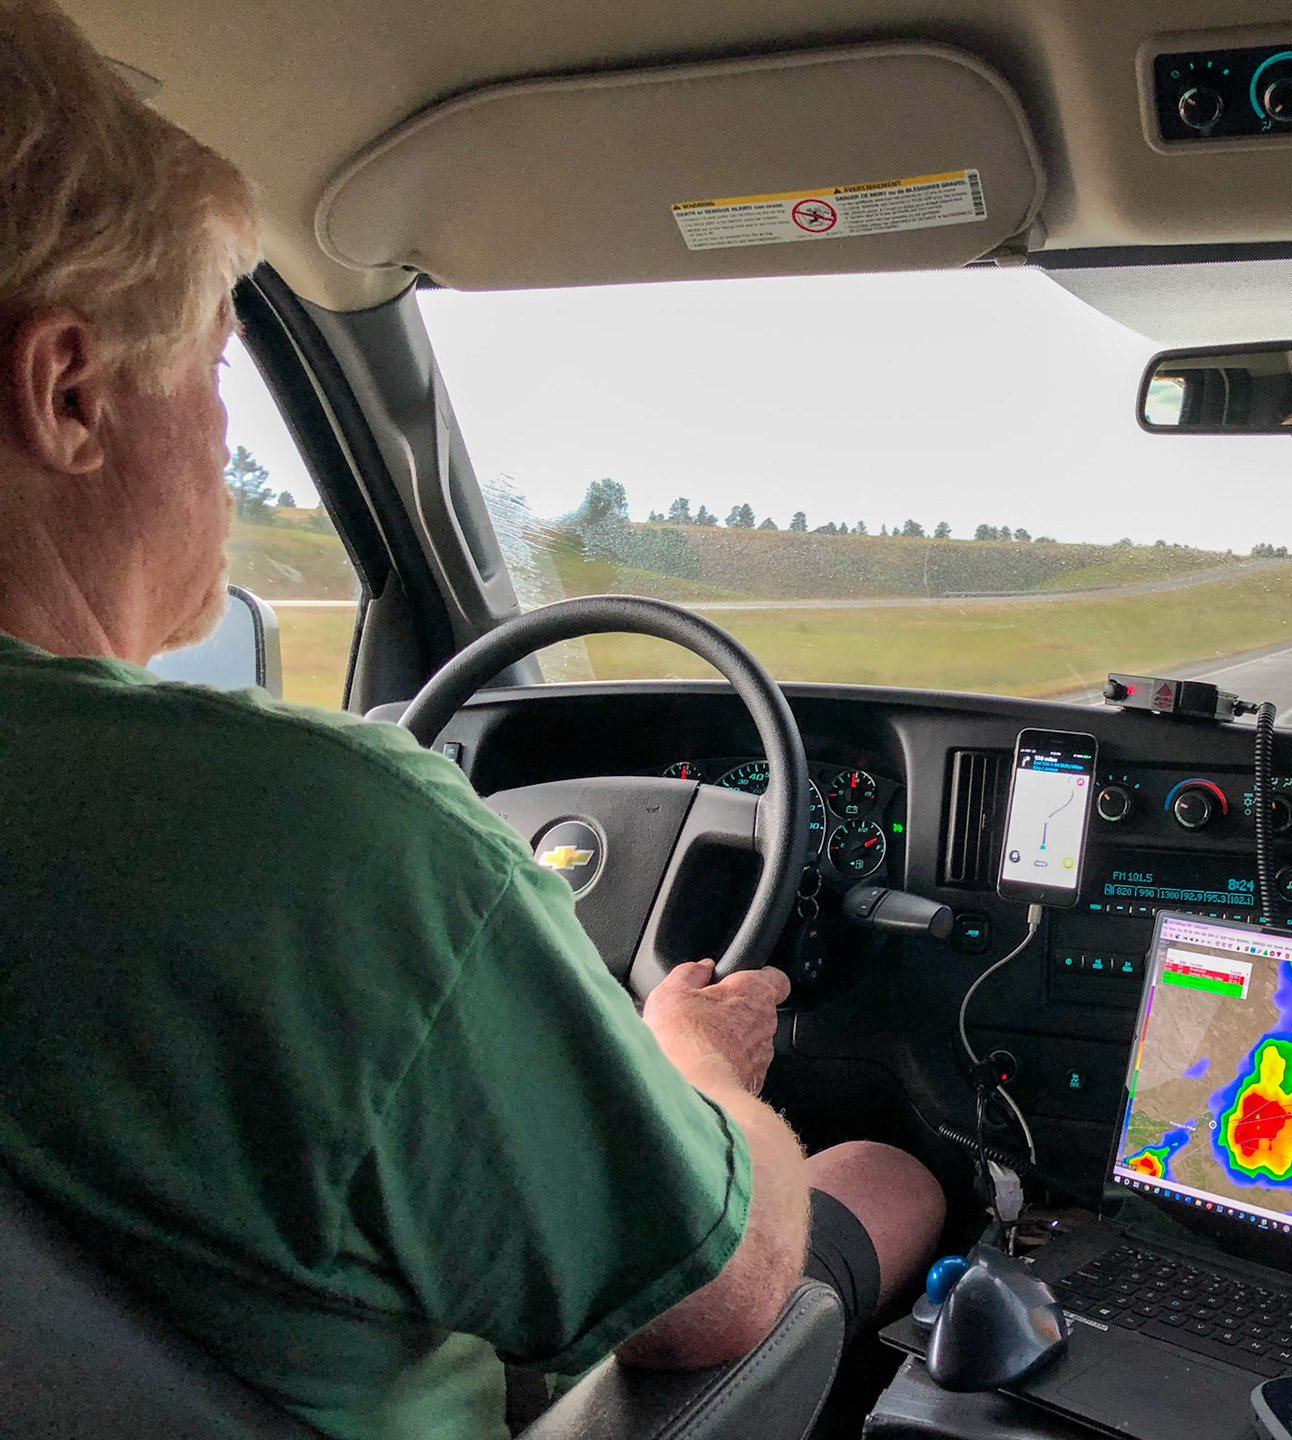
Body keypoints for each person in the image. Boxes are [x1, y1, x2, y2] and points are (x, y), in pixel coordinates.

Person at [0, 3, 943, 1436]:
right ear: (67, 392)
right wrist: (685, 1058)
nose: (221, 427)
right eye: (207, 366)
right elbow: (727, 1298)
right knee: (888, 1177)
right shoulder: (314, 832)